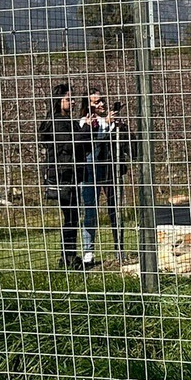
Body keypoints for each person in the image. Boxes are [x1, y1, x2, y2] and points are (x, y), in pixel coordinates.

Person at [39, 83, 90, 269]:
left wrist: (87, 129)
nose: (73, 101)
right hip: (63, 175)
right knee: (70, 216)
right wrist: (84, 129)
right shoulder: (56, 122)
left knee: (73, 216)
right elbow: (70, 145)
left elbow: (84, 147)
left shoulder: (69, 121)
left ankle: (68, 255)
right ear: (58, 101)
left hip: (73, 173)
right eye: (69, 99)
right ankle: (67, 257)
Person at [79, 88, 126, 264]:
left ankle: (119, 249)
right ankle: (88, 251)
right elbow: (91, 141)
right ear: (88, 105)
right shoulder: (85, 121)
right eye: (96, 102)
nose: (101, 104)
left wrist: (119, 127)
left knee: (116, 210)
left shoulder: (110, 120)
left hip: (110, 168)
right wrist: (107, 123)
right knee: (90, 210)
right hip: (90, 169)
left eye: (102, 101)